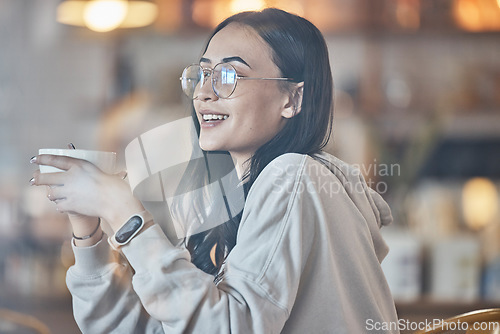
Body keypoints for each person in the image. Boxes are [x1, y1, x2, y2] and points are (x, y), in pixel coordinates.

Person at [30, 8, 400, 334]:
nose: (204, 93)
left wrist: (123, 211)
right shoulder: (226, 201)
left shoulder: (293, 177)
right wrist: (88, 230)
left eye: (228, 76)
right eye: (202, 75)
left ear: (292, 98)